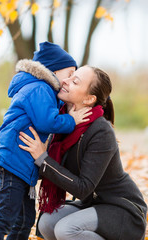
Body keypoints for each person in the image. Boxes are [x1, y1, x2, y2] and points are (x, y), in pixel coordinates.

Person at [19, 65, 147, 240]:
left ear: (89, 99)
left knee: (66, 229)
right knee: (47, 223)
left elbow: (83, 188)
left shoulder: (101, 131)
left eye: (75, 81)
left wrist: (43, 158)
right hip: (94, 203)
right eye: (70, 76)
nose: (65, 81)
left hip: (123, 210)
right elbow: (50, 169)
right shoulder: (64, 123)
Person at [0, 42, 92, 240]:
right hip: (13, 162)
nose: (70, 79)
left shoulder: (44, 91)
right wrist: (72, 120)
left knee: (25, 220)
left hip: (23, 166)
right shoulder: (39, 88)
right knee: (6, 218)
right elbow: (47, 121)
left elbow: (52, 109)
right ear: (53, 70)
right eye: (69, 73)